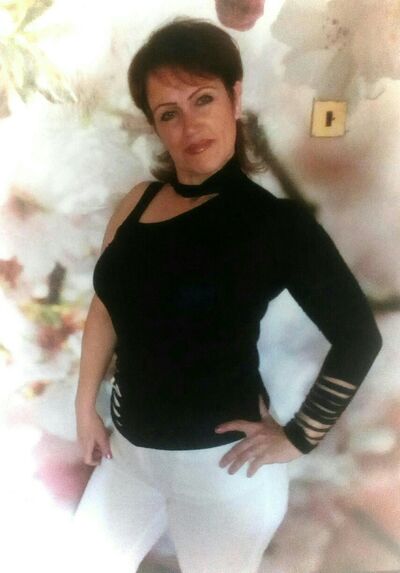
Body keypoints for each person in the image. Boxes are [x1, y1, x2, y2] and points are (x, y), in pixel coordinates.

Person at [72, 18, 382, 573]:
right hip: (129, 457)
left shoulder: (275, 224)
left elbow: (359, 335)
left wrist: (299, 438)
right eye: (169, 113)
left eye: (203, 99)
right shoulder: (136, 203)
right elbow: (105, 310)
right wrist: (83, 407)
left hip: (223, 474)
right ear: (156, 126)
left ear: (234, 97)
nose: (189, 124)